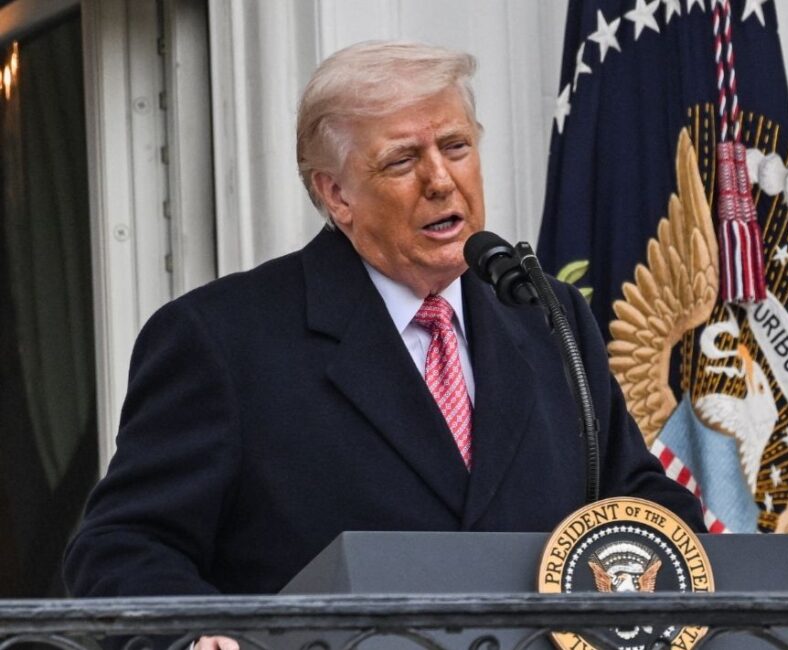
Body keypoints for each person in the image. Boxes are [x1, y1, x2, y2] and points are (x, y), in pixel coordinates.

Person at [63, 40, 706, 648]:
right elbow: (123, 546)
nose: (440, 180)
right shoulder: (222, 339)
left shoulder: (545, 314)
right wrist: (192, 638)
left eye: (456, 146)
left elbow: (636, 499)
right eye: (402, 160)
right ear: (336, 194)